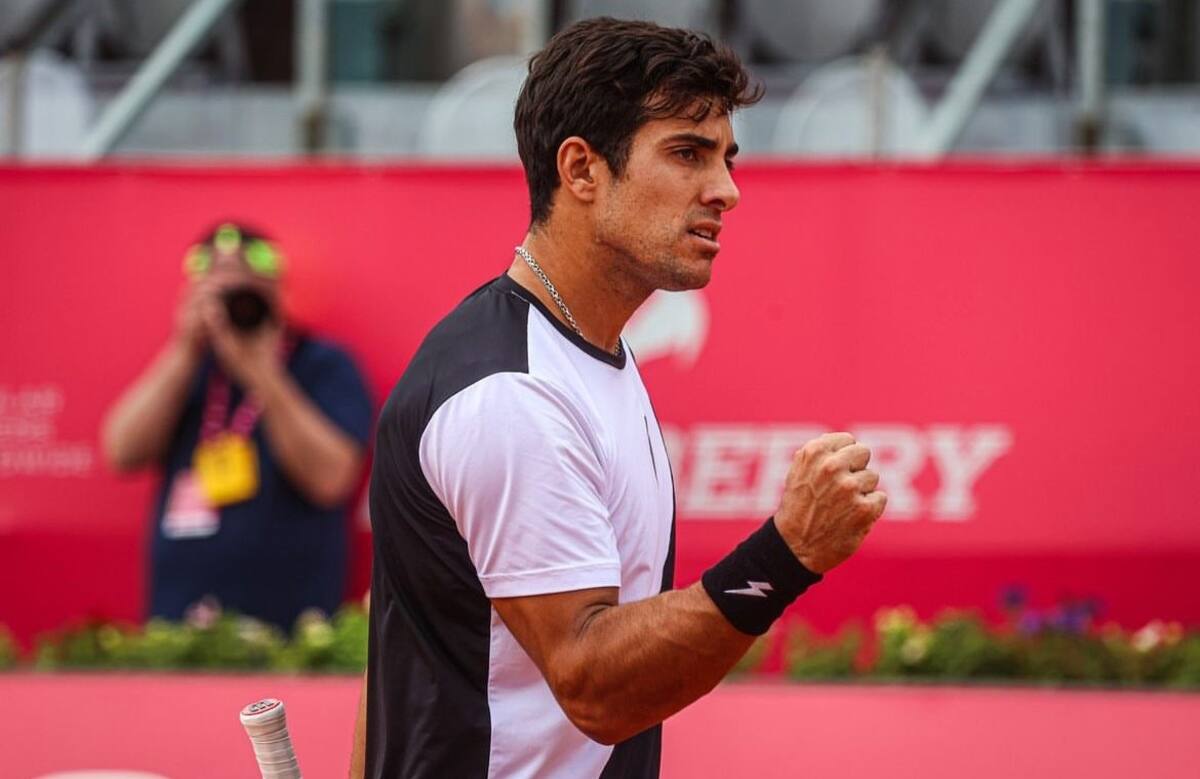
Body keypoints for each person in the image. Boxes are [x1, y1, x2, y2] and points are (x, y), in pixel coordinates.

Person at [356, 17, 886, 779]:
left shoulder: (586, 353)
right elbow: (594, 684)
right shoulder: (511, 394)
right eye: (686, 154)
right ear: (580, 170)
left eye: (727, 159)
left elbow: (400, 646)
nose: (727, 191)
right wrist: (787, 552)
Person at [101, 222, 374, 632]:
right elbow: (121, 451)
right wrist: (184, 348)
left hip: (294, 628)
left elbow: (331, 479)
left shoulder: (322, 364)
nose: (235, 305)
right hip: (180, 625)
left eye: (248, 292)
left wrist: (262, 371)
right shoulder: (190, 367)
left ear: (278, 292)